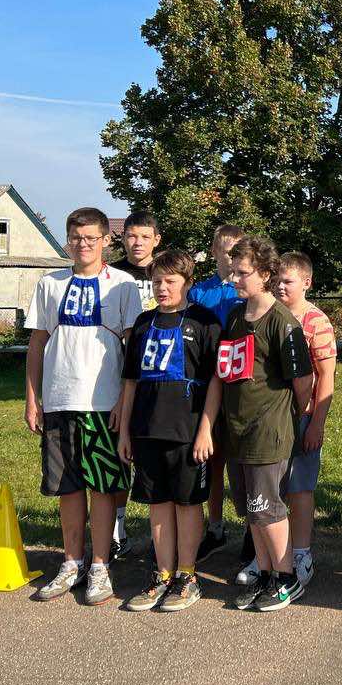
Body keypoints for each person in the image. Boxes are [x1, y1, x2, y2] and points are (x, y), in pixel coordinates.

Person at [25, 207, 143, 606]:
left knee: (104, 487)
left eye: (91, 238)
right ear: (67, 241)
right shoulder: (49, 284)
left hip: (104, 404)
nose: (83, 245)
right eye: (76, 238)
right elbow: (37, 345)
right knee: (68, 487)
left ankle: (100, 565)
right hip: (59, 401)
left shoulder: (123, 285)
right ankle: (71, 562)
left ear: (106, 240)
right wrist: (32, 398)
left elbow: (133, 350)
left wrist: (124, 402)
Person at [202, 236, 315, 612]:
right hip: (237, 429)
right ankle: (265, 574)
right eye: (233, 271)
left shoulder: (282, 323)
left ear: (265, 274)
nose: (234, 278)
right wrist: (210, 424)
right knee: (252, 508)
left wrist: (291, 417)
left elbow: (303, 381)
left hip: (269, 431)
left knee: (268, 507)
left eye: (242, 272)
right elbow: (222, 373)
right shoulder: (236, 316)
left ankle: (286, 578)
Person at [117, 249, 220, 611]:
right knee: (158, 503)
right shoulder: (143, 323)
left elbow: (216, 381)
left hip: (187, 431)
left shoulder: (205, 322)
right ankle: (163, 573)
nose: (162, 288)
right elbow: (131, 381)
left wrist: (206, 429)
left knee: (187, 502)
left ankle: (188, 575)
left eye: (170, 281)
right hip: (147, 429)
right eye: (157, 281)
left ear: (187, 283)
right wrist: (125, 431)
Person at [274, 252, 338, 589]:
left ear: (307, 283)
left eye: (288, 281)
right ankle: (268, 553)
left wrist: (317, 423)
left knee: (299, 488)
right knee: (270, 487)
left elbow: (326, 376)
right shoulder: (269, 314)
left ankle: (301, 553)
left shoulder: (316, 321)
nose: (280, 286)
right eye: (277, 280)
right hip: (270, 417)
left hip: (304, 417)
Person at [188, 223, 246, 565]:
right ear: (213, 252)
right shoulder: (200, 293)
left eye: (237, 252)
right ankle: (215, 526)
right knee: (211, 460)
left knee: (245, 459)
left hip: (241, 385)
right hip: (207, 381)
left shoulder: (248, 290)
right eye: (226, 252)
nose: (231, 258)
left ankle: (253, 528)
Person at [108, 209, 163, 558]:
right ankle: (118, 529)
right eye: (131, 236)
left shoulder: (167, 273)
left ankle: (167, 534)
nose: (137, 242)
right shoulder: (112, 275)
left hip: (160, 377)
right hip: (120, 374)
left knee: (157, 455)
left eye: (145, 236)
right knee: (119, 454)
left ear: (157, 239)